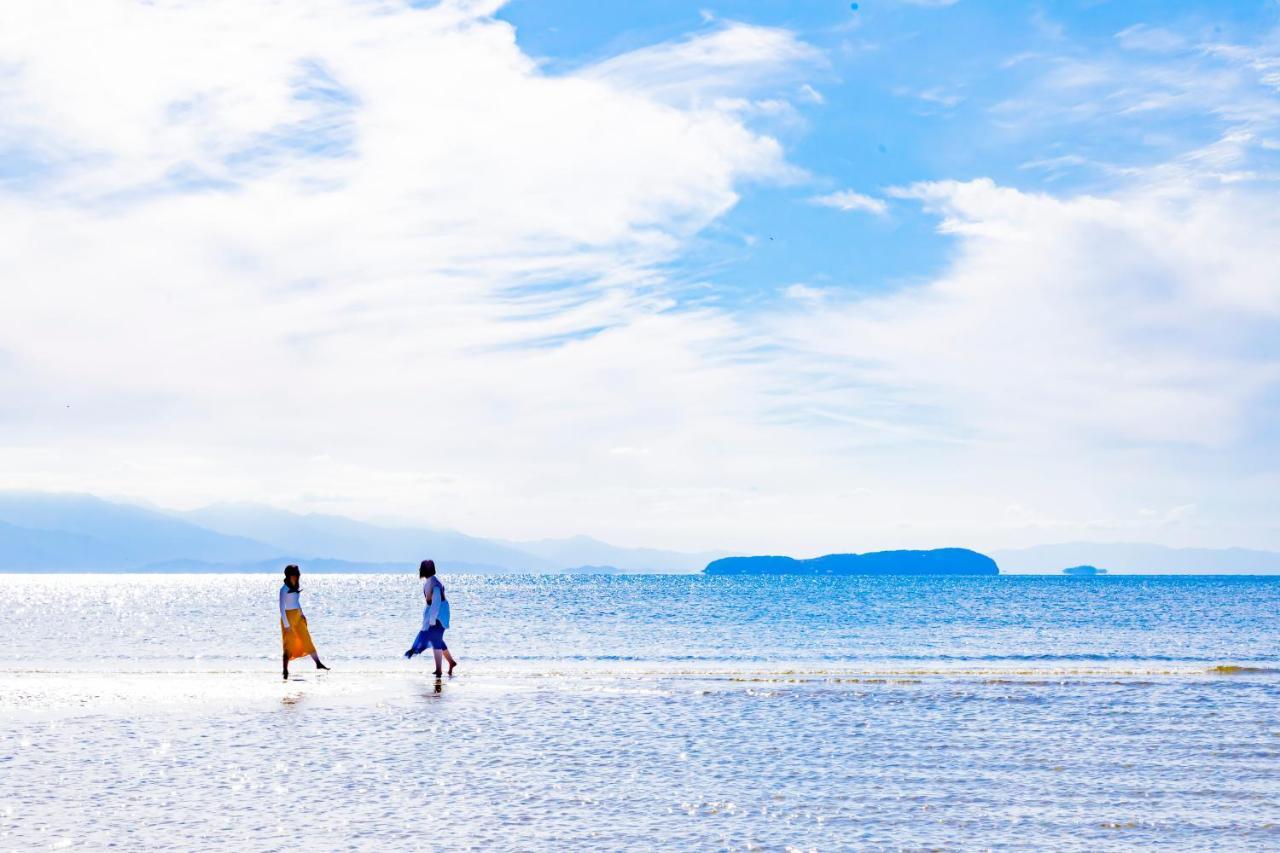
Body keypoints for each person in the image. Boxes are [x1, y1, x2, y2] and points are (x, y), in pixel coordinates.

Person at [404, 559, 457, 676]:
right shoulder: (429, 581)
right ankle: (451, 662)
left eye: (421, 568)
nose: (419, 570)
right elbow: (430, 603)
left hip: (439, 616)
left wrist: (432, 619)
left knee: (435, 639)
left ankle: (439, 670)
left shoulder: (435, 583)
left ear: (425, 570)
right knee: (436, 638)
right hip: (434, 615)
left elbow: (436, 602)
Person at [280, 564, 329, 680]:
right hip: (288, 617)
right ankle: (285, 671)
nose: (296, 576)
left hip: (297, 616)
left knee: (307, 639)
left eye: (297, 574)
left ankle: (318, 663)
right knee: (288, 645)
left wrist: (302, 614)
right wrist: (286, 625)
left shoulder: (295, 587)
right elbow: (281, 608)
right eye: (294, 574)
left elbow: (296, 602)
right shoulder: (284, 589)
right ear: (289, 575)